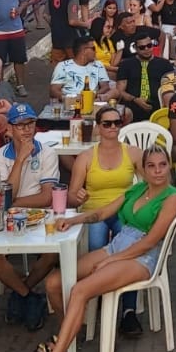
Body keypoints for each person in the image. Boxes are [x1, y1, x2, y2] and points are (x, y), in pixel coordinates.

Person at [23, 145, 176, 352]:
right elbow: (101, 213)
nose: (157, 171)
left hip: (142, 257)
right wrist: (72, 219)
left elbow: (151, 240)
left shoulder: (172, 197)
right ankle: (69, 332)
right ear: (143, 169)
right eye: (151, 166)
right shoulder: (137, 188)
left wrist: (113, 260)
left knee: (80, 290)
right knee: (54, 282)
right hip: (118, 246)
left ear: (168, 166)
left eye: (162, 165)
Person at [0, 104, 61, 327]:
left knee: (52, 254)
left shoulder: (47, 152)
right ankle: (28, 295)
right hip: (7, 219)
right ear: (9, 129)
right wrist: (20, 160)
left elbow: (46, 197)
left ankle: (20, 292)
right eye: (20, 125)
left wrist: (12, 202)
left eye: (30, 124)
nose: (26, 130)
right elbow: (5, 195)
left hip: (39, 215)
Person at [66, 106, 139, 249]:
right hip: (94, 210)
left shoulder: (133, 152)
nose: (113, 127)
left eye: (117, 123)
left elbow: (153, 179)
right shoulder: (85, 157)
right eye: (107, 124)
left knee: (125, 244)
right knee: (95, 244)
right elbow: (71, 197)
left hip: (123, 210)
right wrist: (79, 197)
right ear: (98, 127)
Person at [114, 34, 174, 124]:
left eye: (149, 46)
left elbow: (174, 87)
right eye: (142, 47)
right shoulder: (126, 65)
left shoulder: (165, 64)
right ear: (136, 48)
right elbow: (120, 91)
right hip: (132, 104)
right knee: (124, 113)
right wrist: (135, 99)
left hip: (159, 105)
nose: (147, 49)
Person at [49, 37, 113, 106]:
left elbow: (105, 87)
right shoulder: (63, 66)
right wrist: (69, 99)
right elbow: (54, 90)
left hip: (91, 102)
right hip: (70, 104)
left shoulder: (98, 65)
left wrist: (91, 97)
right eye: (93, 48)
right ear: (84, 51)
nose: (96, 51)